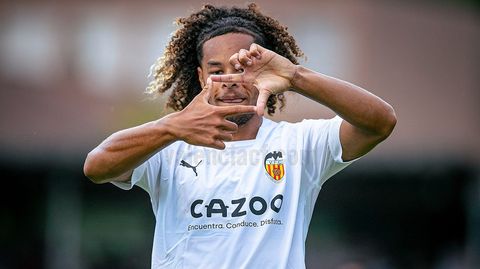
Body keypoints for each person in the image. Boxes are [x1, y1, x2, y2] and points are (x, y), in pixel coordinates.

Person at [83, 3, 396, 269]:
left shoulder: (299, 145)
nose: (230, 80)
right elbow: (96, 167)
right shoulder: (170, 146)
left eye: (241, 67)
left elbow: (380, 122)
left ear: (265, 71)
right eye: (217, 69)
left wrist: (295, 76)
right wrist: (170, 127)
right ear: (201, 77)